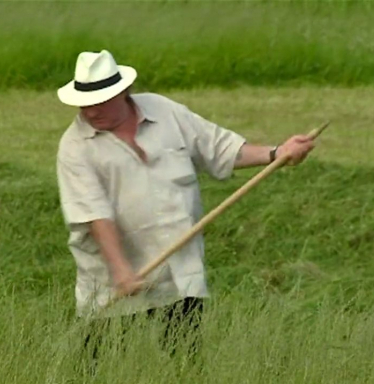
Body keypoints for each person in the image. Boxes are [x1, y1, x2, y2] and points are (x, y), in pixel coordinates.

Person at [55, 50, 315, 358]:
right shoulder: (74, 148)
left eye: (101, 100)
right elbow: (95, 214)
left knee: (185, 366)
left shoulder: (164, 112)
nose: (91, 110)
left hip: (179, 274)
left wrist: (277, 153)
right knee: (95, 369)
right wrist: (121, 270)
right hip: (114, 285)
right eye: (85, 103)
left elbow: (219, 149)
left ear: (124, 92)